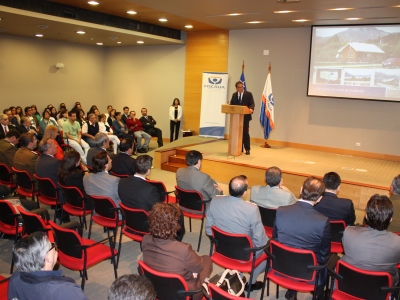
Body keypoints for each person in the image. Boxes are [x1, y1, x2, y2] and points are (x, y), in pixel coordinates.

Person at [206, 175, 267, 291]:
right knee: (268, 252)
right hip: (244, 255)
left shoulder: (215, 200)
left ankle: (237, 276)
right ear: (244, 193)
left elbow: (209, 230)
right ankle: (251, 283)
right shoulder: (252, 209)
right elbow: (260, 241)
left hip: (222, 249)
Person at [273, 176, 331, 300]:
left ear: (300, 190)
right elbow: (324, 253)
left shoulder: (281, 211)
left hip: (282, 264)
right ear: (320, 199)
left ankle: (292, 293)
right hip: (308, 270)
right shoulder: (322, 221)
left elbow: (275, 238)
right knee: (327, 263)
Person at [142, 203, 212, 300]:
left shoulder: (145, 239)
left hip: (157, 288)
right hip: (185, 293)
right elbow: (199, 267)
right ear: (175, 225)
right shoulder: (183, 249)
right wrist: (193, 272)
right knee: (206, 259)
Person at [8, 232, 88, 300]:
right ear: (48, 258)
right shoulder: (65, 291)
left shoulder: (15, 278)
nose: (54, 246)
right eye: (52, 245)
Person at [341, 194, 400, 286]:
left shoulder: (349, 232)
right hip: (380, 291)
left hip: (348, 286)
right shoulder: (398, 243)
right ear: (390, 220)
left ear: (366, 216)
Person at [230, 81, 255, 155]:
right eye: (239, 87)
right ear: (236, 88)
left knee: (245, 133)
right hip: (236, 118)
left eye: (242, 86)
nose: (241, 88)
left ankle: (247, 149)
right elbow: (232, 105)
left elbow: (252, 103)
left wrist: (251, 109)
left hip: (245, 117)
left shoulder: (248, 94)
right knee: (237, 133)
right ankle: (239, 148)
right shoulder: (234, 95)